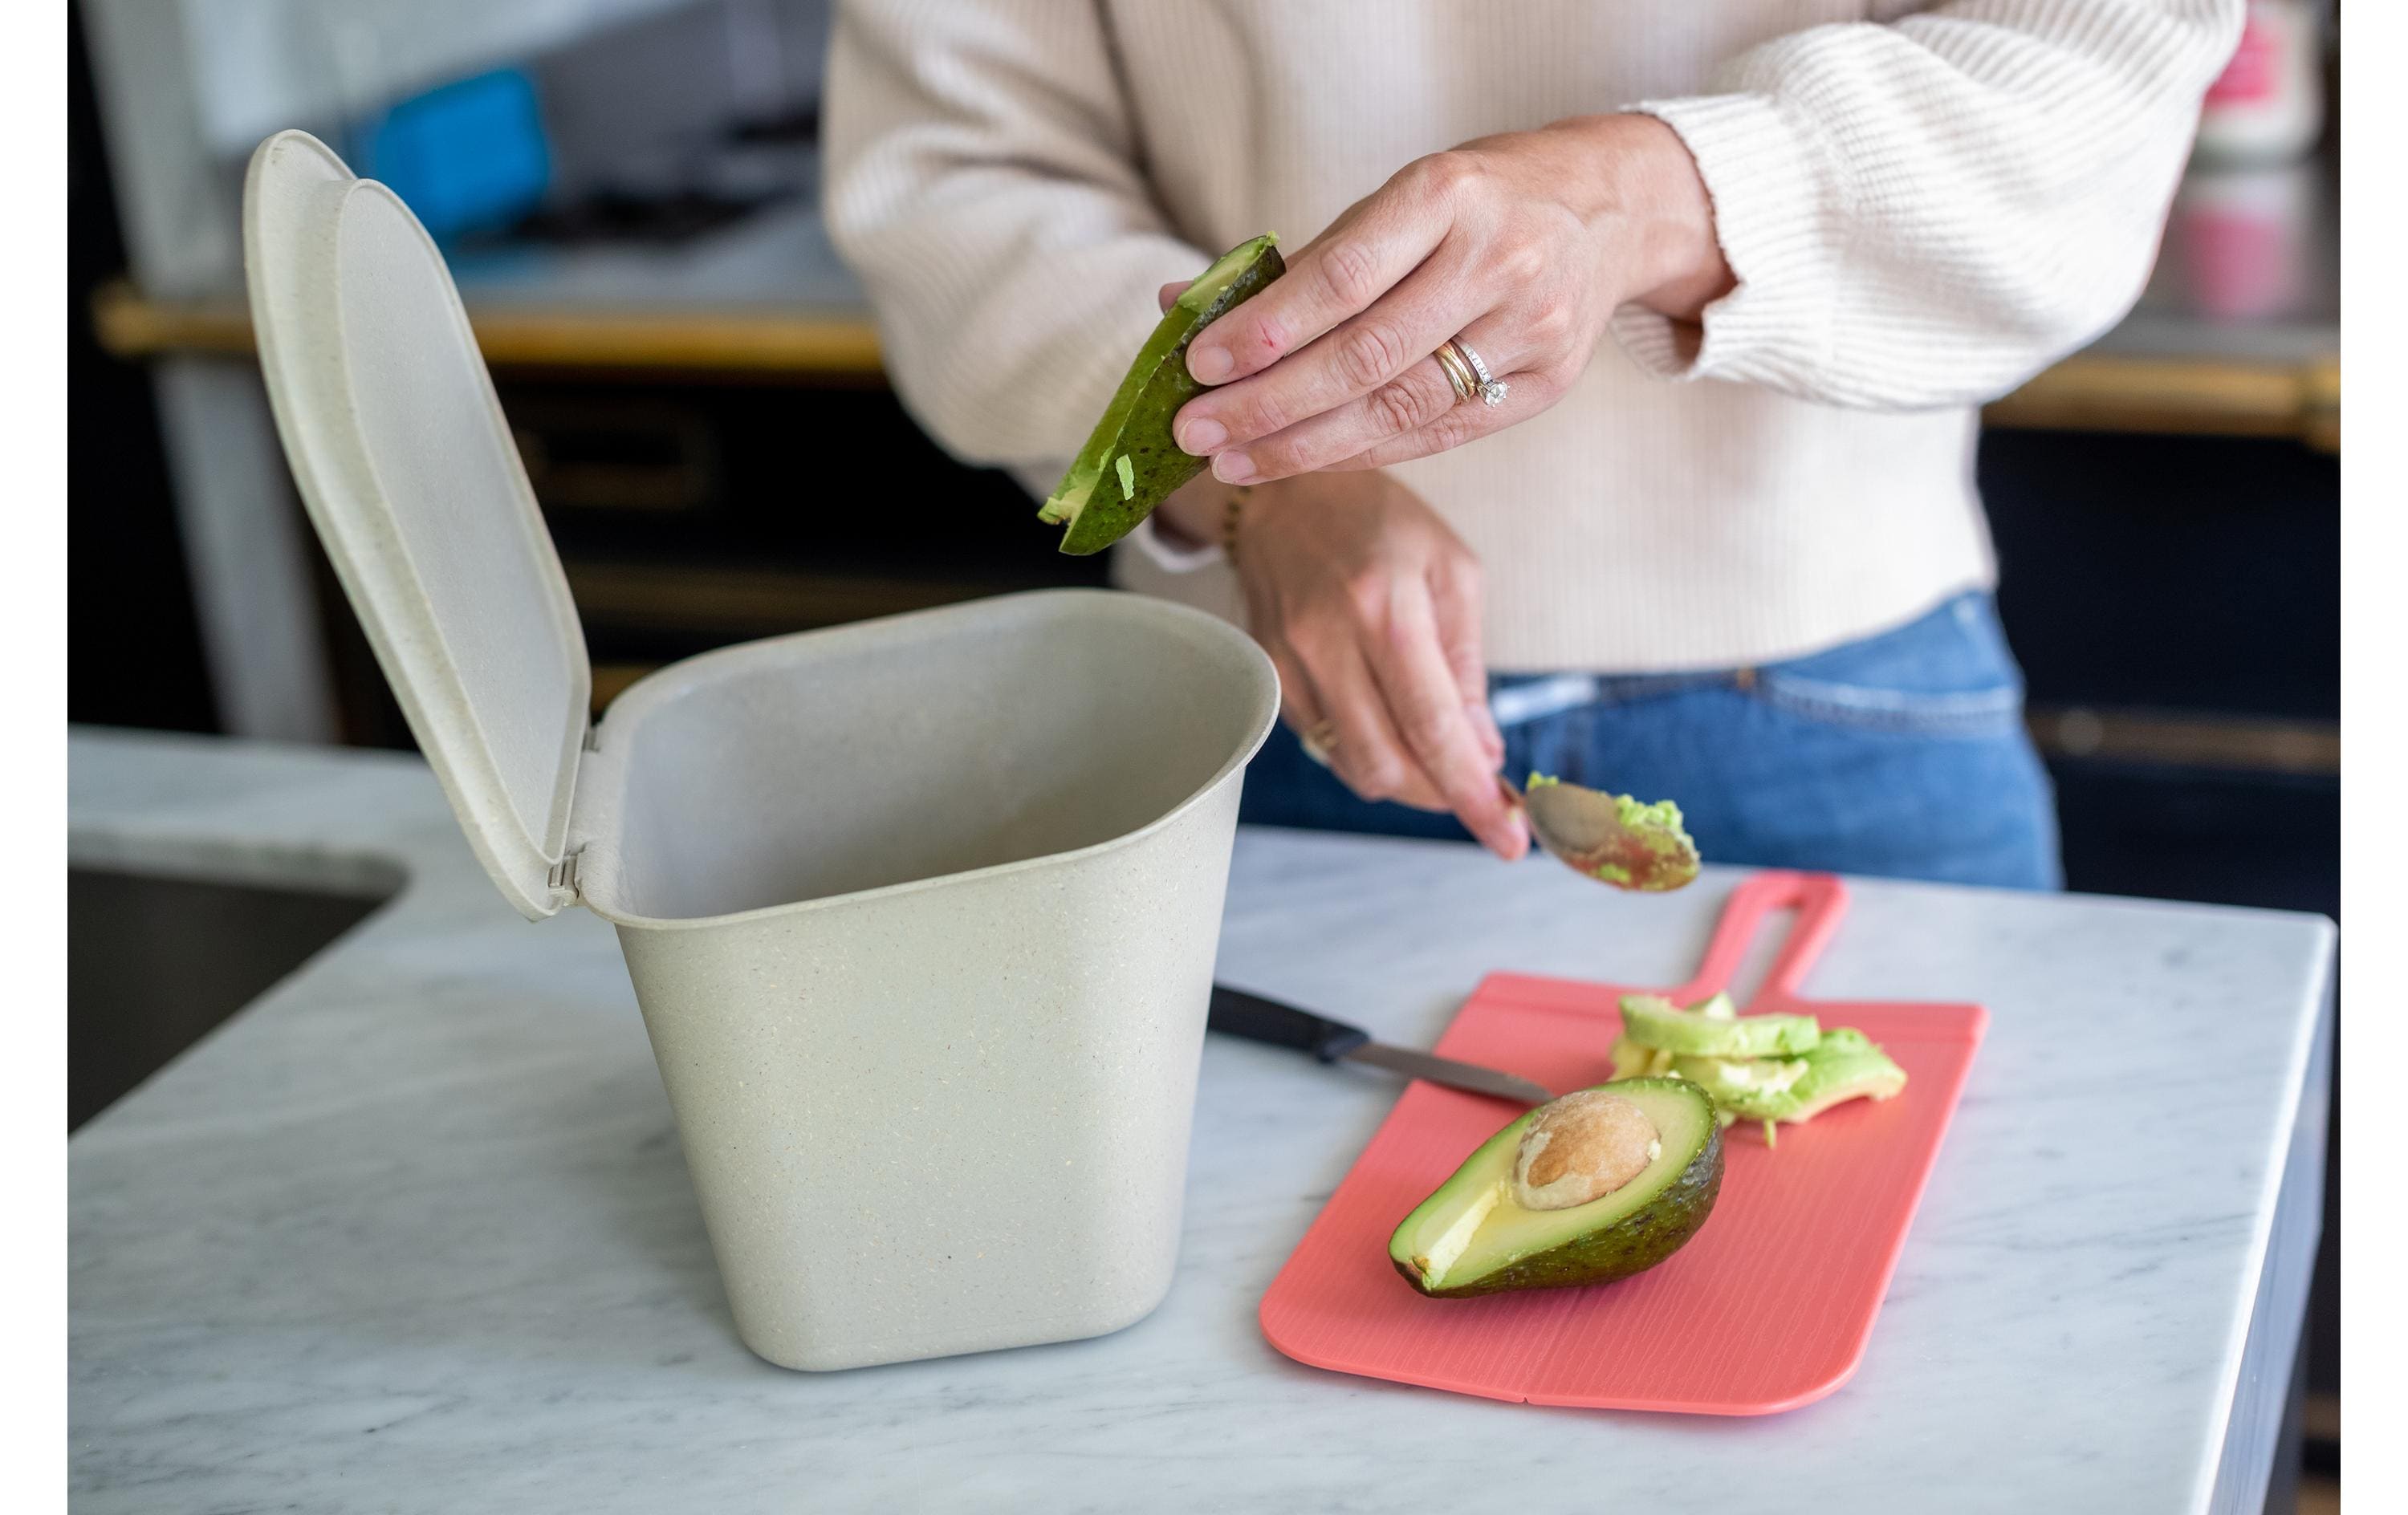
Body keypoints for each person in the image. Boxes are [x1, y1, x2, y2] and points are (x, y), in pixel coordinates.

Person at [823, 2, 2243, 889]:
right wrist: (1261, 483)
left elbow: (2094, 67)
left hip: (1844, 702)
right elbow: (957, 171)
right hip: (1257, 721)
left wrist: (1648, 198)